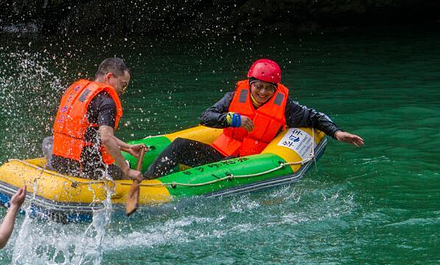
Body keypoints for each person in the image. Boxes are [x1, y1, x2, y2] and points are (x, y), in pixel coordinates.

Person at [144, 59, 364, 179]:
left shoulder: (285, 107)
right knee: (180, 145)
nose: (262, 92)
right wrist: (232, 120)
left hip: (251, 164)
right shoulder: (233, 98)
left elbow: (314, 117)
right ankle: (146, 181)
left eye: (268, 88)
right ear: (250, 83)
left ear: (275, 89)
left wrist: (337, 132)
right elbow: (206, 117)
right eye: (258, 86)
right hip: (221, 155)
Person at [46, 57, 147, 181]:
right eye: (123, 85)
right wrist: (127, 169)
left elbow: (90, 134)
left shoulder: (76, 90)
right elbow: (106, 138)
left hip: (59, 162)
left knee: (48, 141)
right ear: (109, 77)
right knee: (125, 168)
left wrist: (127, 147)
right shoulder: (107, 101)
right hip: (86, 169)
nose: (123, 91)